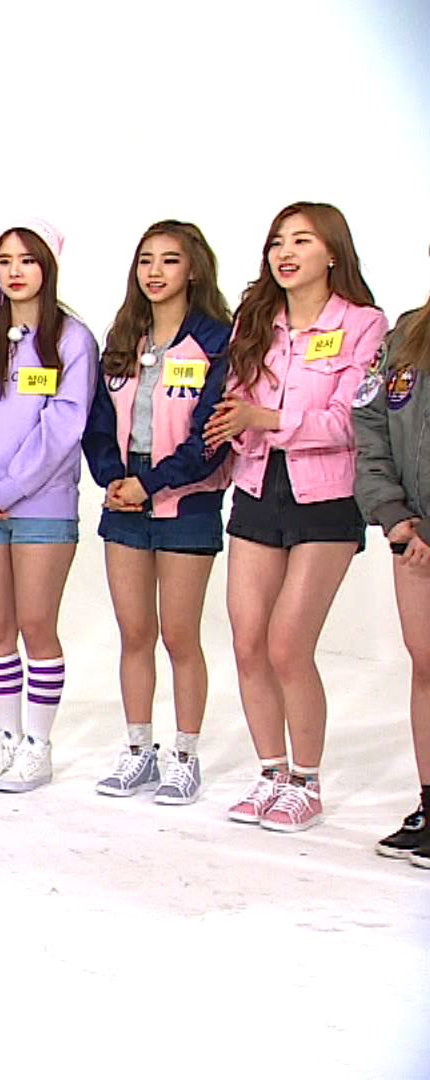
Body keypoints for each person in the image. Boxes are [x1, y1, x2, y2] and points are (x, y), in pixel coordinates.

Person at [204, 202, 384, 833]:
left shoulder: (362, 324)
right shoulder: (256, 322)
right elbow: (236, 403)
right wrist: (233, 423)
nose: (285, 252)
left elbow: (351, 421)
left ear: (332, 252)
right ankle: (271, 773)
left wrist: (267, 419)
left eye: (301, 241)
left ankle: (306, 782)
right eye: (278, 241)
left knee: (288, 644)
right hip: (257, 487)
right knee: (248, 640)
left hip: (326, 498)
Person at [82, 221, 233, 805]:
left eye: (169, 260)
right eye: (146, 259)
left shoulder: (216, 341)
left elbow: (210, 439)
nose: (155, 271)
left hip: (186, 498)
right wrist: (114, 479)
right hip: (125, 497)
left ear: (192, 269)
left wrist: (149, 484)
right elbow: (97, 423)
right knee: (134, 633)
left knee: (179, 635)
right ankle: (138, 750)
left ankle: (185, 757)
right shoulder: (124, 337)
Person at [0, 219, 98, 794]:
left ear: (48, 268)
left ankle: (39, 746)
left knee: (37, 625)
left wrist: (7, 490)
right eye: (4, 261)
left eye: (27, 260)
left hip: (42, 508)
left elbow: (64, 426)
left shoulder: (73, 341)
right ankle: (7, 740)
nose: (15, 271)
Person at [355, 273, 430, 868]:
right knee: (427, 666)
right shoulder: (406, 335)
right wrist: (393, 511)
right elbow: (370, 424)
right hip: (412, 536)